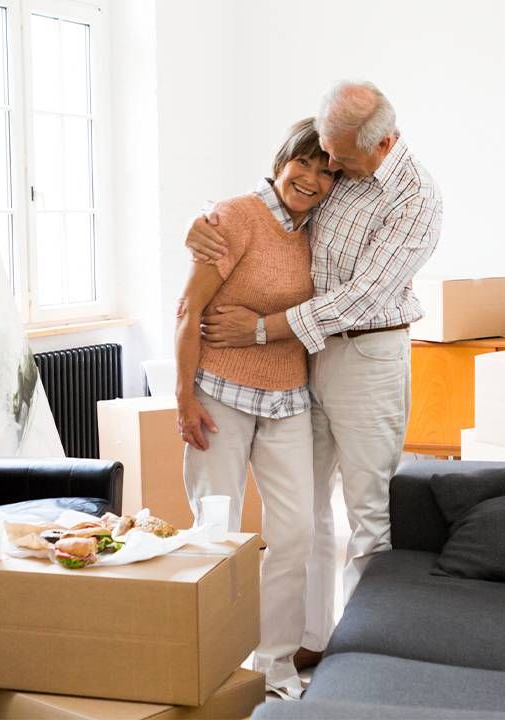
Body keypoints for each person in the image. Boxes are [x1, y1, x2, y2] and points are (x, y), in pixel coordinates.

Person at [186, 81, 443, 671]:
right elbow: (275, 202)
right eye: (325, 154)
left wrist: (259, 328)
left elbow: (361, 298)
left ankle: (363, 657)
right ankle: (311, 640)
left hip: (365, 357)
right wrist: (202, 225)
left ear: (382, 144)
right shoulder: (336, 165)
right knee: (308, 511)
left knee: (367, 512)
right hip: (308, 358)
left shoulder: (415, 199)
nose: (329, 168)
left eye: (340, 159)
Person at [175, 117, 336, 698]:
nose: (311, 179)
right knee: (215, 531)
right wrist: (183, 399)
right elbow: (188, 311)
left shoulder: (317, 229)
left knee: (293, 532)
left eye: (325, 171)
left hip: (288, 397)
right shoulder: (236, 215)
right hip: (219, 394)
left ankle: (273, 666)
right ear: (281, 160)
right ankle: (211, 662)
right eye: (303, 164)